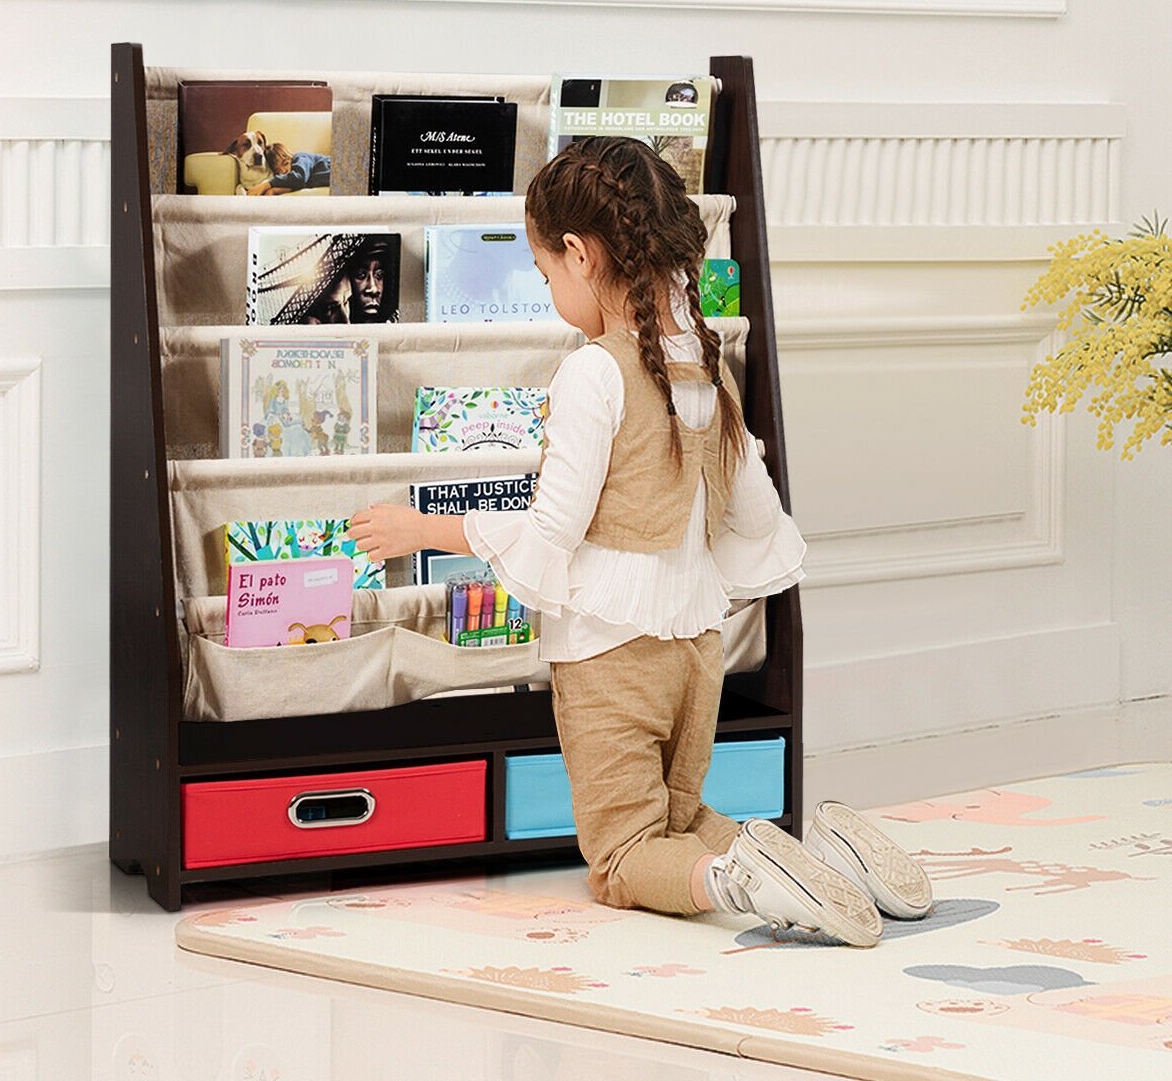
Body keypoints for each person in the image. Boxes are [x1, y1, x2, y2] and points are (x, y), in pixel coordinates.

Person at [348, 137, 932, 945]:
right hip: (698, 644)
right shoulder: (710, 365)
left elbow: (554, 531)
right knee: (682, 814)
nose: (549, 288)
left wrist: (424, 527)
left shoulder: (596, 372)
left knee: (623, 857)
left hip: (609, 651)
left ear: (581, 256)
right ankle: (824, 860)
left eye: (547, 273)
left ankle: (743, 879)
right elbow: (756, 518)